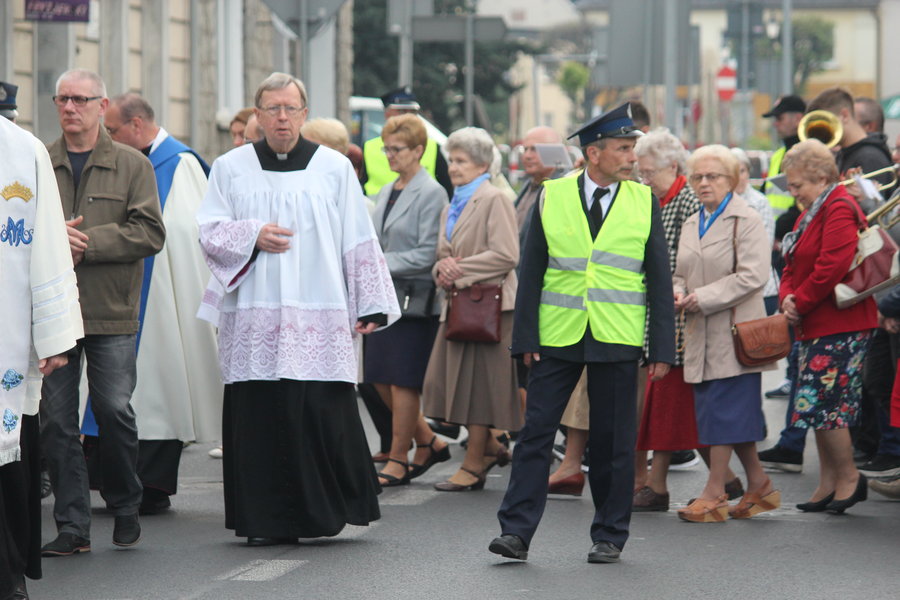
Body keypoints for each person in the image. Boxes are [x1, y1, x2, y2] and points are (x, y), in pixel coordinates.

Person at [197, 72, 399, 546]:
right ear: (257, 115)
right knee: (259, 416)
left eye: (291, 108)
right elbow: (207, 230)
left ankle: (320, 514)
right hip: (254, 313)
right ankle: (263, 520)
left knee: (317, 414)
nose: (282, 117)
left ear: (305, 114)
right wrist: (252, 235)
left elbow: (357, 236)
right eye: (272, 108)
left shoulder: (333, 168)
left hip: (319, 307)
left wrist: (369, 302)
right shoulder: (230, 167)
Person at [491, 104, 675, 563]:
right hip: (559, 335)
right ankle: (515, 532)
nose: (632, 157)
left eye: (633, 148)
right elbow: (530, 271)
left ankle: (610, 535)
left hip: (617, 335)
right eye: (624, 148)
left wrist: (662, 347)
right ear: (594, 153)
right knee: (535, 434)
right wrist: (525, 339)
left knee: (613, 441)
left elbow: (659, 280)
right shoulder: (553, 195)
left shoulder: (642, 199)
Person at [40, 69, 165, 556]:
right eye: (62, 99)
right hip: (52, 312)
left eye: (80, 99)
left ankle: (125, 500)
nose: (70, 107)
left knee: (113, 410)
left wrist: (87, 244)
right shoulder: (37, 162)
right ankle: (72, 525)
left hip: (111, 309)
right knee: (56, 420)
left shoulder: (133, 165)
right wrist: (54, 242)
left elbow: (150, 233)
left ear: (101, 104)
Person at [103, 93, 221, 515]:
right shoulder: (120, 161)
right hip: (117, 293)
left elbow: (189, 235)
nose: (108, 138)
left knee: (159, 387)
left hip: (161, 301)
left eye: (113, 130)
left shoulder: (181, 163)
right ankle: (114, 480)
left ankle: (151, 484)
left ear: (137, 126)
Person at [0, 97, 83, 600]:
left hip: (3, 337)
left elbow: (49, 243)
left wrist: (53, 334)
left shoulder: (20, 150)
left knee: (6, 461)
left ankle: (6, 577)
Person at [673, 145, 779, 523]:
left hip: (735, 331)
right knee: (723, 412)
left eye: (713, 176)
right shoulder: (691, 220)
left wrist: (702, 296)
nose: (704, 183)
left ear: (732, 180)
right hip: (700, 328)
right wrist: (678, 288)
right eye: (698, 177)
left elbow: (754, 275)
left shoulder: (745, 218)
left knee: (721, 411)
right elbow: (683, 268)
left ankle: (714, 492)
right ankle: (759, 483)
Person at [779, 139, 877, 514]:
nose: (794, 193)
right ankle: (830, 481)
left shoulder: (838, 206)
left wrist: (797, 301)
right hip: (815, 322)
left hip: (839, 323)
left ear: (821, 178)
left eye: (798, 185)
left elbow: (831, 266)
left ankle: (849, 477)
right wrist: (789, 297)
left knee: (829, 406)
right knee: (815, 406)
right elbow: (790, 260)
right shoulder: (815, 208)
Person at [422, 126, 520, 492]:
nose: (454, 167)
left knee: (481, 388)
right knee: (450, 384)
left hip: (491, 308)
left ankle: (475, 462)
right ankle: (491, 447)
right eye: (452, 160)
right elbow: (442, 257)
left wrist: (457, 271)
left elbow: (507, 255)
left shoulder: (494, 198)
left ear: (482, 164)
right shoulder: (453, 202)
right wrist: (442, 271)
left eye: (461, 161)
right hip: (460, 304)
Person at [631, 128, 725, 512]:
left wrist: (672, 285)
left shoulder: (686, 200)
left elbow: (689, 259)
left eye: (649, 172)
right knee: (669, 403)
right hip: (660, 312)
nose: (643, 179)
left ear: (672, 166)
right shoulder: (655, 198)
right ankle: (735, 480)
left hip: (681, 314)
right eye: (640, 172)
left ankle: (658, 485)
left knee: (670, 401)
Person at [364, 114, 450, 486]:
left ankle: (399, 458)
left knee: (402, 382)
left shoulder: (431, 192)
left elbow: (427, 253)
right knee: (379, 378)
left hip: (415, 300)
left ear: (419, 150)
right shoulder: (387, 189)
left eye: (396, 149)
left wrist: (378, 263)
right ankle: (428, 440)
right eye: (386, 148)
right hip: (386, 298)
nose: (389, 156)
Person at [361, 86, 452, 197]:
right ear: (387, 114)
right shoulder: (368, 148)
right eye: (402, 111)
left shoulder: (432, 147)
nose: (407, 116)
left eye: (413, 112)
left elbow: (447, 190)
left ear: (418, 150)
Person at [731, 148, 779, 315]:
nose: (739, 177)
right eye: (733, 172)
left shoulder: (760, 202)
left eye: (742, 171)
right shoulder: (720, 202)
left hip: (763, 289)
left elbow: (764, 244)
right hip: (732, 289)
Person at [762, 95, 806, 218]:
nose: (775, 124)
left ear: (798, 118)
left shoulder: (809, 154)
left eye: (780, 118)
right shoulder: (778, 155)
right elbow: (765, 192)